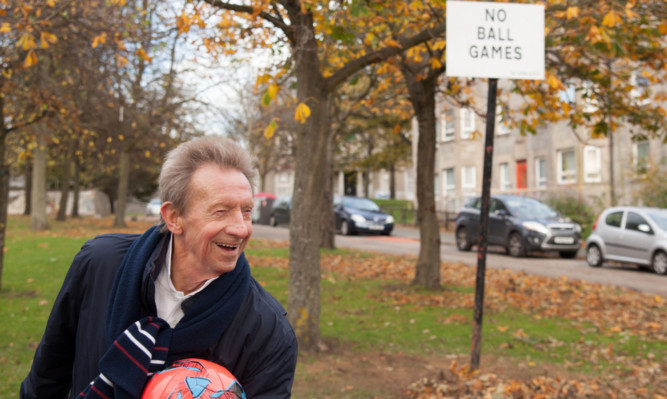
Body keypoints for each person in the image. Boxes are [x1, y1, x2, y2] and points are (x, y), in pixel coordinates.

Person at [20, 136, 298, 398]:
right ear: (174, 217)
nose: (241, 228)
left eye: (246, 211)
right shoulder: (99, 264)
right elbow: (47, 377)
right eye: (221, 211)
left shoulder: (269, 333)